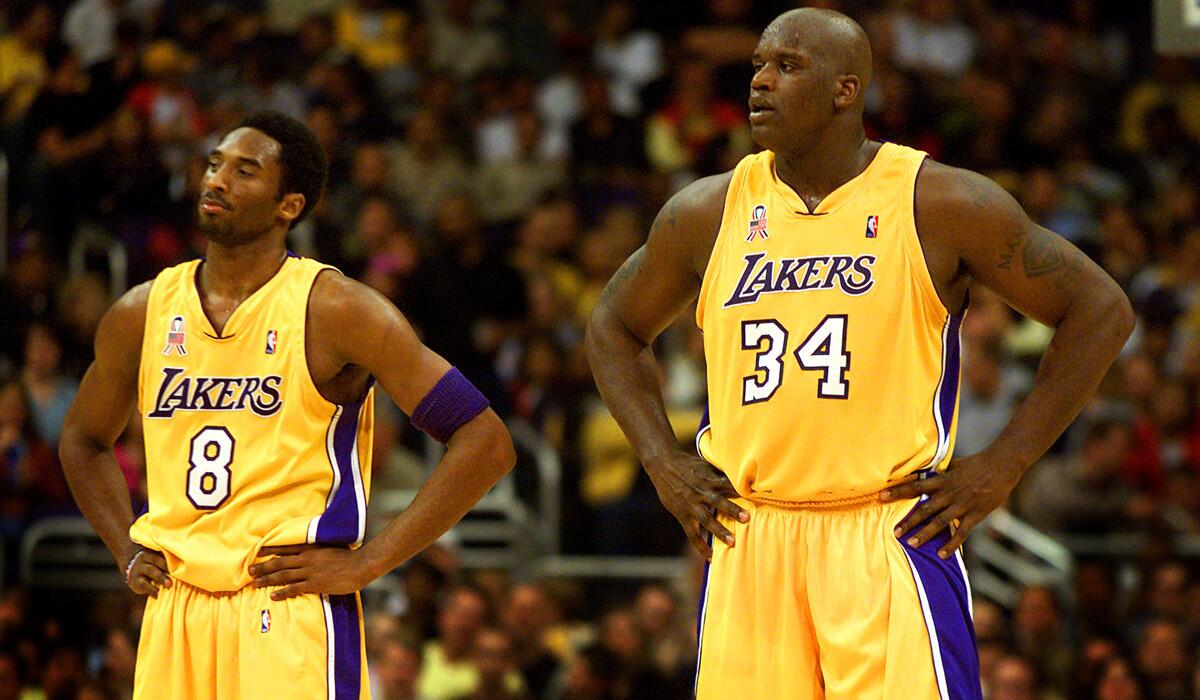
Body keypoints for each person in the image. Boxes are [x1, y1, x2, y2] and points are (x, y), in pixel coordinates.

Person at [586, 8, 1133, 700]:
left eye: (786, 66)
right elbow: (611, 325)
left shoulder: (941, 200)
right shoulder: (707, 212)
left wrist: (1005, 465)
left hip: (886, 531)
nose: (759, 81)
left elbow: (1100, 309)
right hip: (750, 534)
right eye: (757, 65)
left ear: (847, 90)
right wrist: (662, 462)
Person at [58, 110, 516, 699]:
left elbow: (486, 440)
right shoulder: (142, 311)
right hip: (175, 607)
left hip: (286, 606)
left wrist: (368, 562)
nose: (216, 180)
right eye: (216, 163)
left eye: (245, 171)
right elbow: (82, 439)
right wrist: (124, 547)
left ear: (289, 207)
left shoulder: (340, 310)